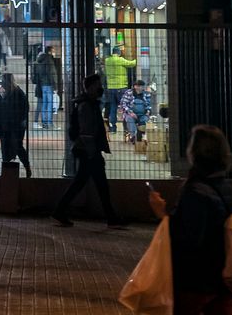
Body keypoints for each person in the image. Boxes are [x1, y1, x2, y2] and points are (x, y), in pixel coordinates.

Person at [150, 126, 232, 314]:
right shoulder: (225, 187)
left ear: (194, 153)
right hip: (225, 278)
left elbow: (186, 239)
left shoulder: (195, 191)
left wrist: (161, 214)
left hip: (196, 281)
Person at [53, 73, 123, 228]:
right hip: (88, 151)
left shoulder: (89, 103)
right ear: (90, 87)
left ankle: (60, 210)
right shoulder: (86, 106)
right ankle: (111, 217)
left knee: (90, 183)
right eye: (98, 85)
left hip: (88, 150)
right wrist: (93, 153)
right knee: (98, 185)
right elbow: (86, 132)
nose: (100, 88)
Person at [0, 73, 31, 177]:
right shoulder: (1, 93)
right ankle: (6, 173)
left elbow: (25, 108)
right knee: (5, 149)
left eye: (3, 81)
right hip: (3, 125)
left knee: (17, 147)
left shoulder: (18, 93)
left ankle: (27, 166)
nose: (1, 83)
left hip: (15, 126)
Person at [32, 43, 61, 130]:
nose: (54, 52)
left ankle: (44, 123)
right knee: (50, 104)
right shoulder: (49, 60)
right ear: (49, 51)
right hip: (49, 84)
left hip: (43, 85)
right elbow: (52, 73)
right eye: (53, 50)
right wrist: (55, 86)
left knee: (44, 103)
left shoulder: (40, 60)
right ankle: (49, 123)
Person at [103, 47, 130, 134]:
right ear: (119, 53)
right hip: (121, 87)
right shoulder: (120, 59)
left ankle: (113, 128)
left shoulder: (107, 61)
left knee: (113, 108)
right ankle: (126, 129)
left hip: (110, 88)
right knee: (125, 107)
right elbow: (131, 64)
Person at [121, 80, 155, 147]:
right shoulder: (128, 93)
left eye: (140, 86)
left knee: (145, 121)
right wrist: (130, 112)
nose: (138, 87)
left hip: (143, 114)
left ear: (143, 87)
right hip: (130, 114)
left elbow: (149, 104)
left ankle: (141, 137)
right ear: (134, 86)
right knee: (130, 120)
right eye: (137, 86)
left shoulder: (146, 93)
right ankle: (133, 137)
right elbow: (123, 104)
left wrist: (148, 111)